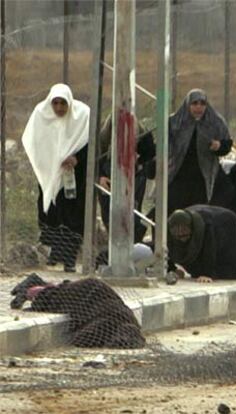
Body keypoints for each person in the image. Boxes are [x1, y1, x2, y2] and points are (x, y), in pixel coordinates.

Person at [22, 84, 90, 272]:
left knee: (73, 217)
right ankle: (56, 254)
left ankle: (69, 259)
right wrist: (51, 160)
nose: (59, 108)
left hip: (75, 177)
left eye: (63, 103)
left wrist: (76, 158)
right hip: (50, 176)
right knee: (51, 214)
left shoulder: (83, 116)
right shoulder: (42, 116)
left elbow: (92, 143)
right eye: (56, 103)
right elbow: (34, 142)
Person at [10, 273, 145, 349]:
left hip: (93, 292)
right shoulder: (108, 325)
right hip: (87, 296)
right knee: (54, 299)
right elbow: (80, 339)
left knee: (59, 295)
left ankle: (37, 284)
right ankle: (30, 289)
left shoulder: (131, 321)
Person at [168, 89, 233, 213]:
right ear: (188, 104)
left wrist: (219, 146)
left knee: (198, 212)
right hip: (178, 173)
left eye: (202, 103)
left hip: (203, 176)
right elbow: (164, 143)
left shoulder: (215, 122)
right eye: (195, 103)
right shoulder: (176, 121)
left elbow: (227, 144)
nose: (199, 107)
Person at [97, 113, 156, 243]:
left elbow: (150, 154)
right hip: (108, 178)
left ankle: (132, 246)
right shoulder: (104, 134)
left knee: (132, 214)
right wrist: (100, 177)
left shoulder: (141, 132)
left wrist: (139, 162)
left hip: (134, 177)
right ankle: (115, 249)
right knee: (110, 215)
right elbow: (95, 159)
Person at [167, 205, 236, 283]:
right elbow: (164, 248)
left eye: (184, 234)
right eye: (178, 236)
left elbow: (210, 248)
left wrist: (207, 274)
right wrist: (172, 269)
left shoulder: (207, 227)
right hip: (204, 218)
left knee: (228, 273)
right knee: (195, 269)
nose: (182, 239)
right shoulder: (168, 230)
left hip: (225, 222)